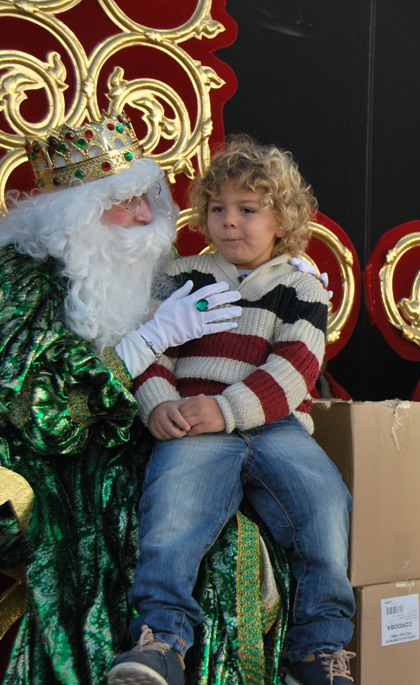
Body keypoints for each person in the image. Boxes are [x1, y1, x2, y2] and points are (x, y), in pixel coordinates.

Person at [0, 111, 263, 683]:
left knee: (232, 519)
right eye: (125, 203)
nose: (147, 216)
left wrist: (287, 279)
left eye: (148, 197)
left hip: (153, 435)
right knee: (135, 527)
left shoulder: (149, 264)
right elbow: (39, 410)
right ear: (74, 216)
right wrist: (146, 342)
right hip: (58, 463)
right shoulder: (21, 278)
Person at [107, 136, 356, 685]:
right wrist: (158, 405)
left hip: (273, 424)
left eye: (248, 210)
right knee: (174, 508)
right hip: (194, 421)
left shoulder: (301, 286)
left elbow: (296, 367)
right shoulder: (180, 274)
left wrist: (226, 408)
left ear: (282, 219)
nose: (229, 222)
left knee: (326, 504)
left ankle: (320, 649)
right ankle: (161, 641)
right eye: (217, 208)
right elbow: (153, 353)